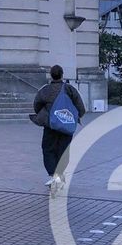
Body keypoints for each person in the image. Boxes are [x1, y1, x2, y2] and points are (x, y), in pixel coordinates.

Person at [32, 65, 85, 193]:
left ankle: (53, 175)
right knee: (63, 152)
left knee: (48, 150)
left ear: (51, 75)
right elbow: (81, 108)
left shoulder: (45, 90)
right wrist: (73, 117)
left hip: (51, 125)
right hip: (66, 126)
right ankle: (59, 176)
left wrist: (45, 114)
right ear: (62, 75)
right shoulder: (70, 90)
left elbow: (36, 105)